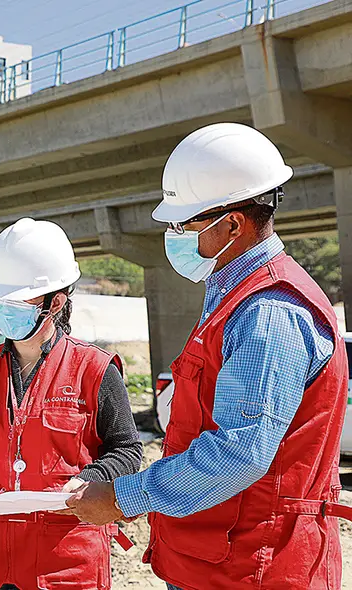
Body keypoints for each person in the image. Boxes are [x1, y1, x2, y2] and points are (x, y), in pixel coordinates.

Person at [66, 123, 352, 589]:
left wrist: (124, 497)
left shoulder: (268, 311)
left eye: (185, 223)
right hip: (218, 560)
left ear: (233, 223)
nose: (175, 234)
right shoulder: (233, 296)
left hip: (254, 567)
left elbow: (240, 452)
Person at [0, 218, 142, 590]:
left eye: (18, 300)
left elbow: (126, 451)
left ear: (55, 302)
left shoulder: (94, 370)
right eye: (0, 299)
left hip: (61, 562)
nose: (4, 308)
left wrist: (88, 480)